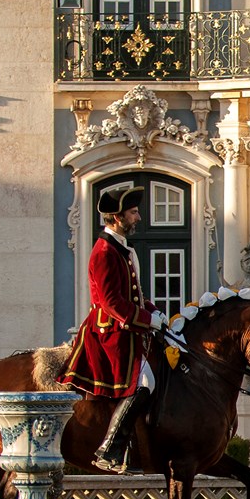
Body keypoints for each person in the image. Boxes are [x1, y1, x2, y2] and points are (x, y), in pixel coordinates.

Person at [59, 185, 169, 473]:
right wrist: (146, 320)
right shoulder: (104, 251)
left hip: (128, 331)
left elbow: (133, 295)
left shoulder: (119, 248)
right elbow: (110, 302)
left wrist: (155, 312)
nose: (139, 217)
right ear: (117, 217)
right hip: (110, 334)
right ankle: (109, 448)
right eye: (133, 212)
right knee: (144, 384)